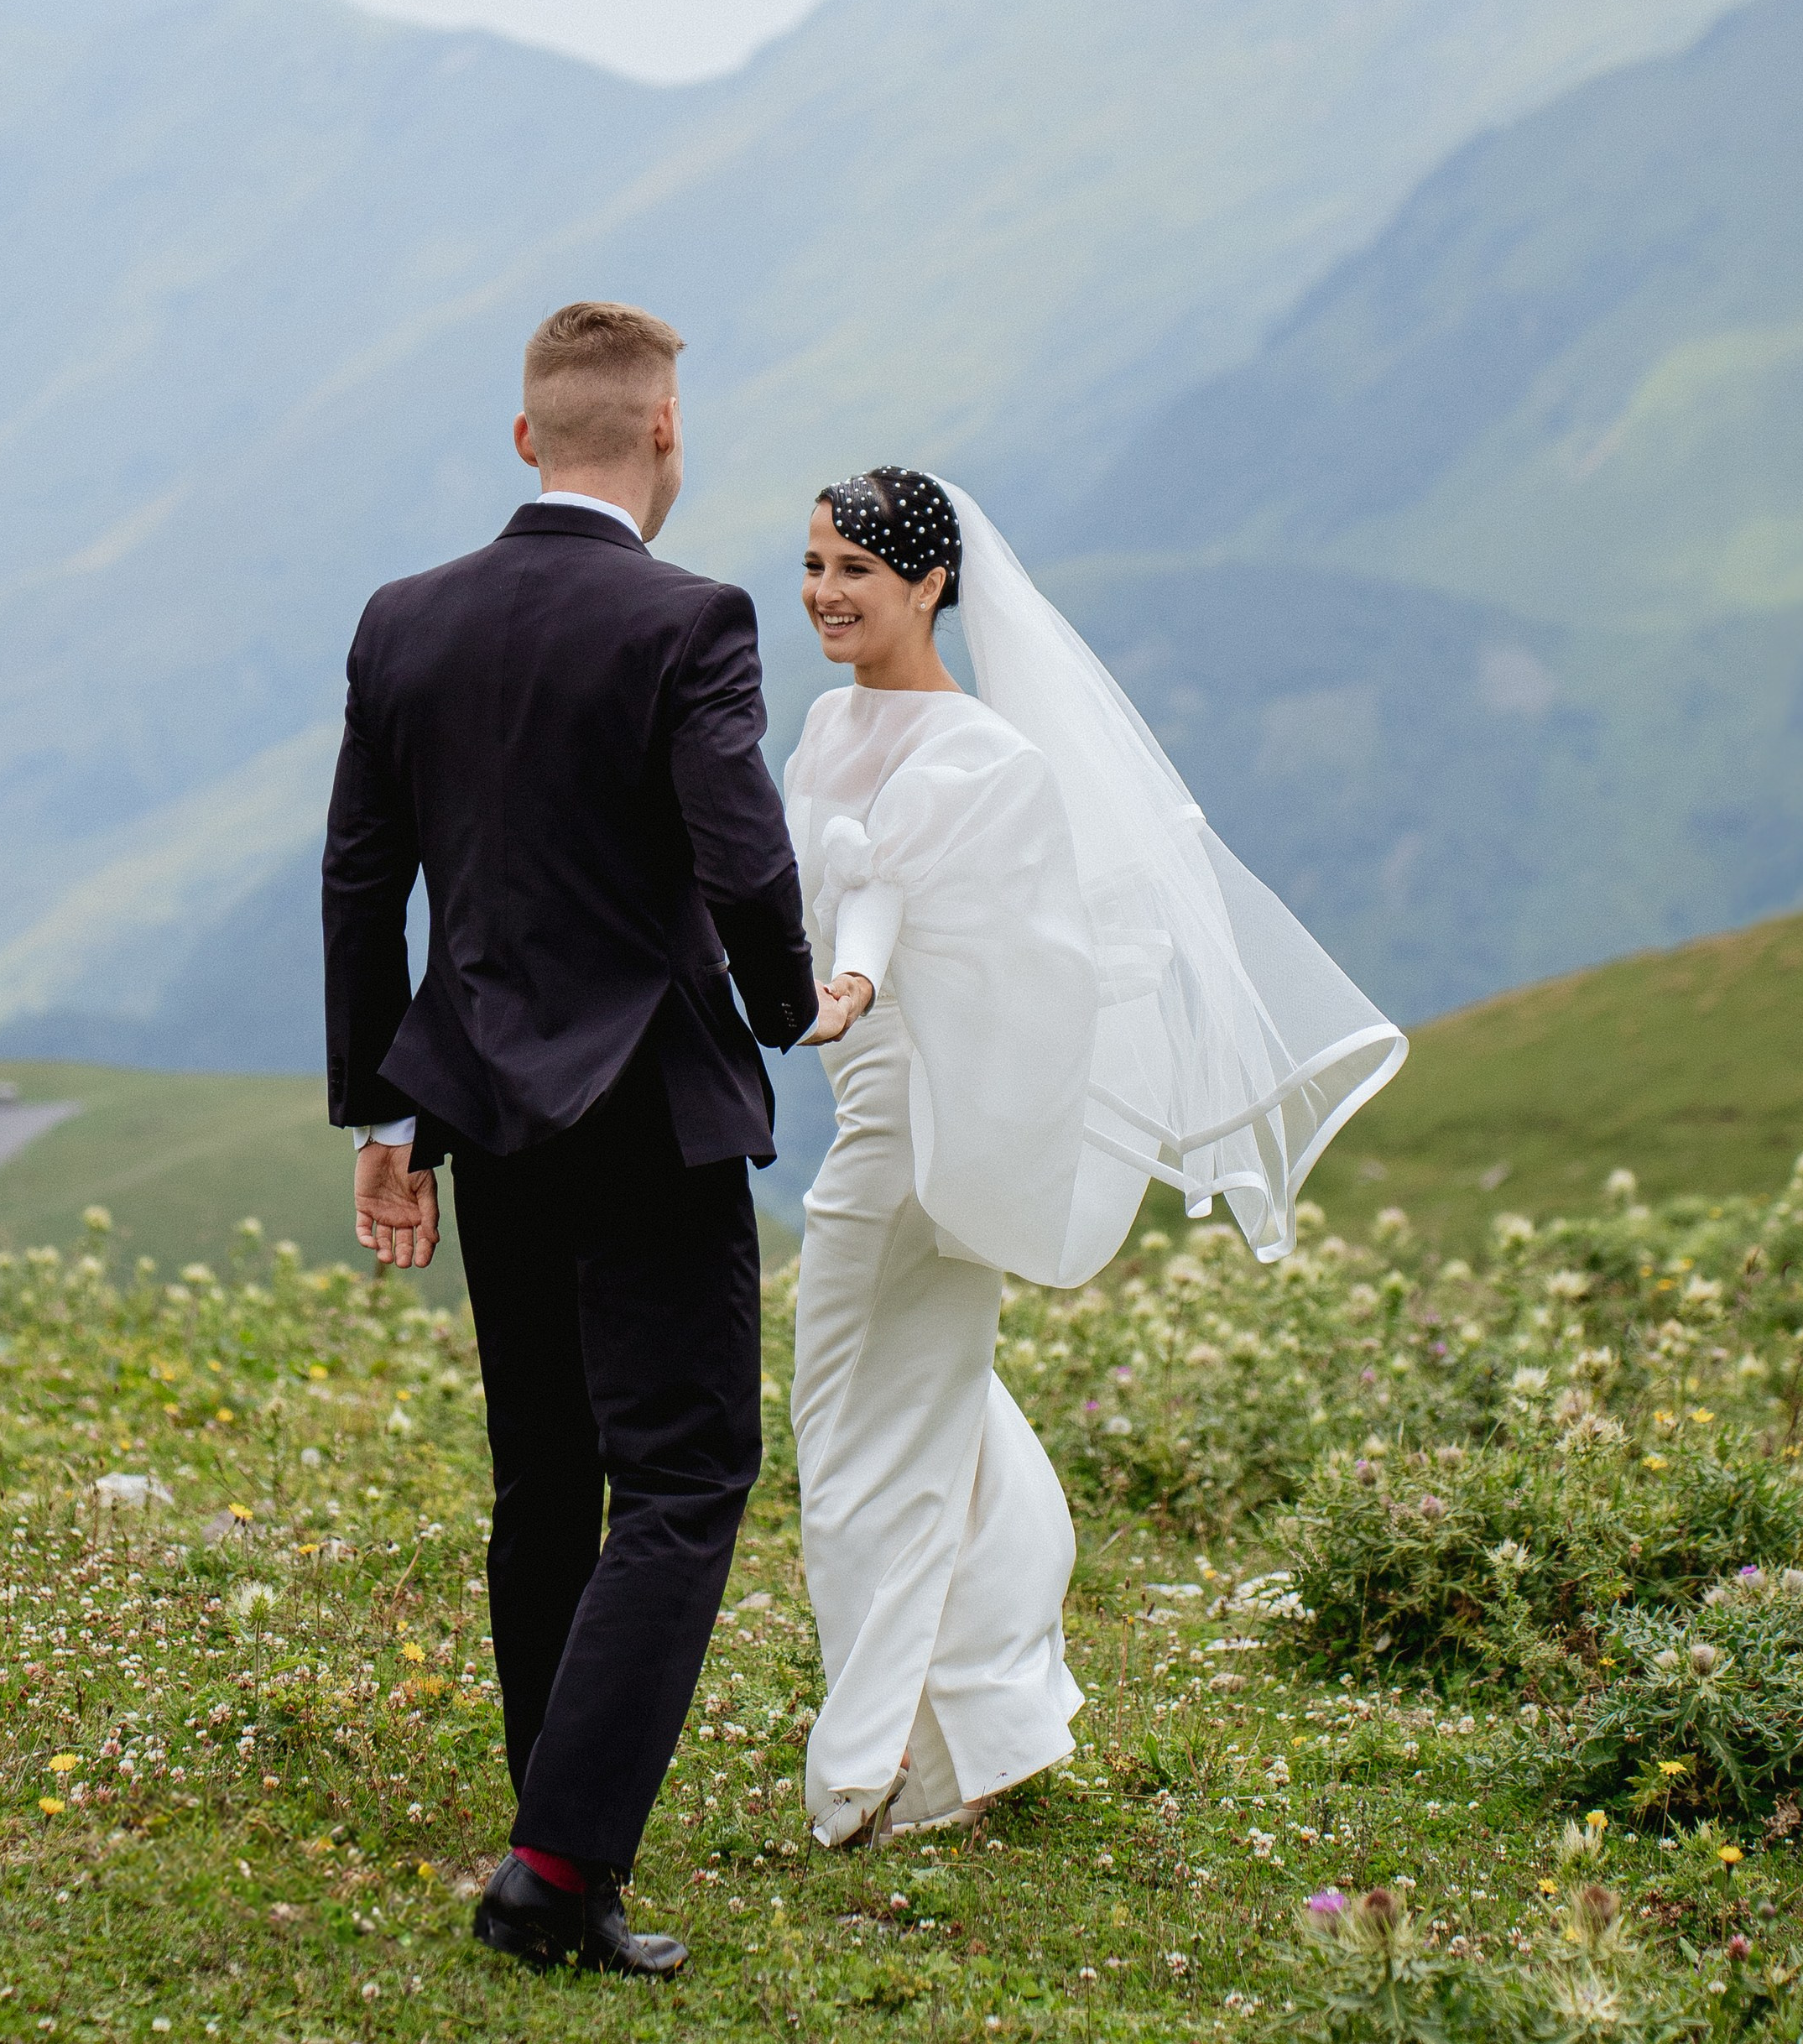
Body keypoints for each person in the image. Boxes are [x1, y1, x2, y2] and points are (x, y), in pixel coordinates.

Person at [320, 301, 851, 1978]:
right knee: (688, 1472)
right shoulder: (693, 617)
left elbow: (361, 877)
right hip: (653, 1106)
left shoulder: (405, 618)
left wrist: (384, 1107)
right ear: (668, 432)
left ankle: (549, 1832)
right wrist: (784, 1002)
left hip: (482, 1101)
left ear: (528, 435)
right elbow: (747, 856)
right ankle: (553, 1866)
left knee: (547, 1469)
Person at [782, 467, 1406, 1849]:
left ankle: (879, 1765)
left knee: (847, 1434)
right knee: (938, 1416)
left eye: (856, 571)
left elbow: (946, 923)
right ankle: (989, 1720)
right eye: (813, 565)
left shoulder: (986, 760)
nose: (826, 594)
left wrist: (860, 986)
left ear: (930, 584)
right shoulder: (828, 722)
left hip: (919, 1135)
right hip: (858, 1101)